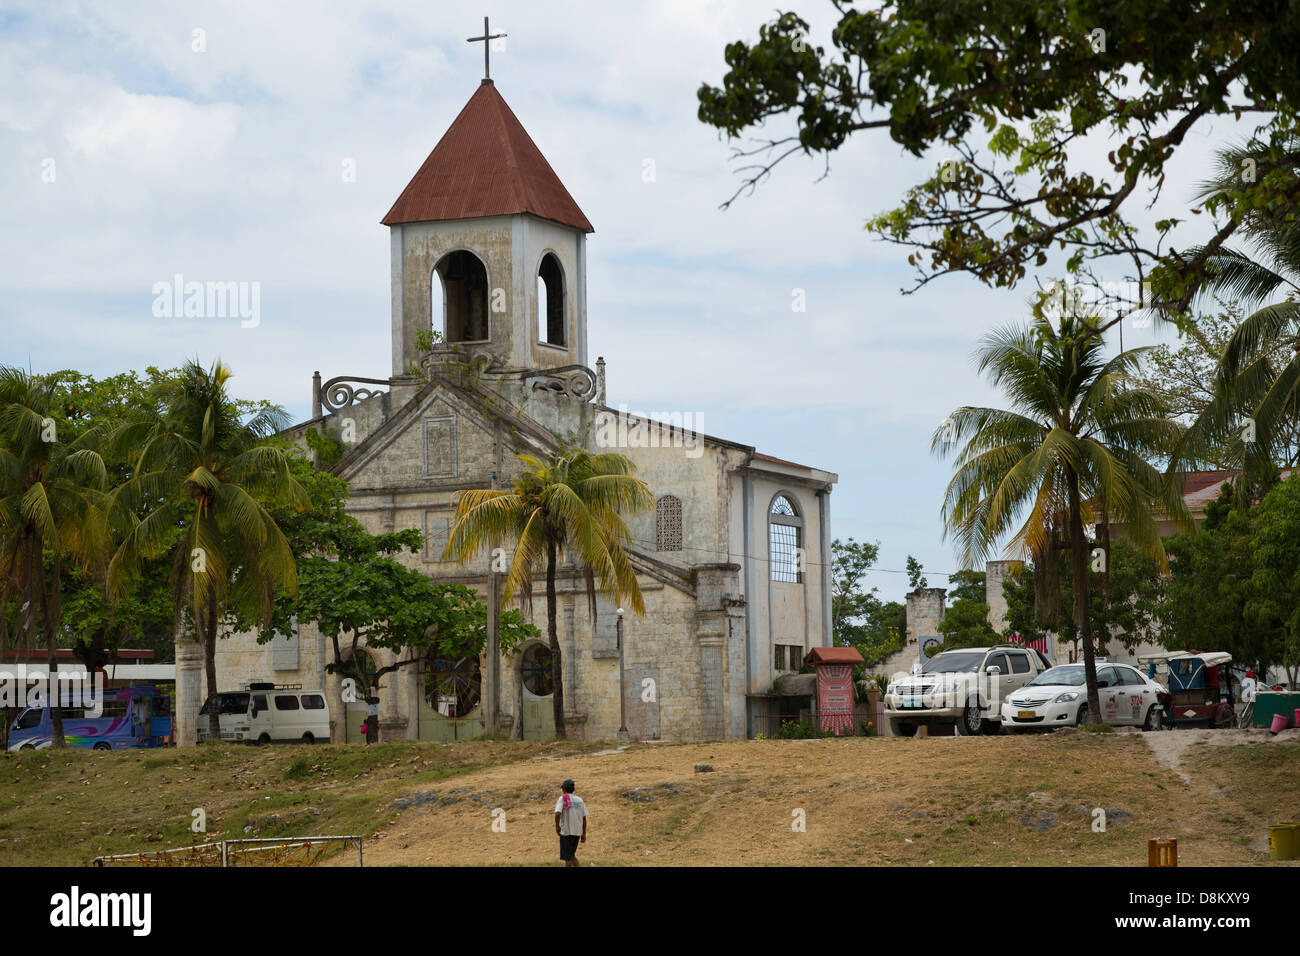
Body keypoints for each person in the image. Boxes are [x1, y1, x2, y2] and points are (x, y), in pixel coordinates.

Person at [554, 778, 588, 867]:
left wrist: (557, 827)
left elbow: (557, 813)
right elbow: (584, 818)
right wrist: (583, 833)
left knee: (568, 859)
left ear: (564, 789)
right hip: (576, 833)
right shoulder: (580, 800)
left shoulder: (563, 798)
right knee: (571, 855)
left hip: (566, 832)